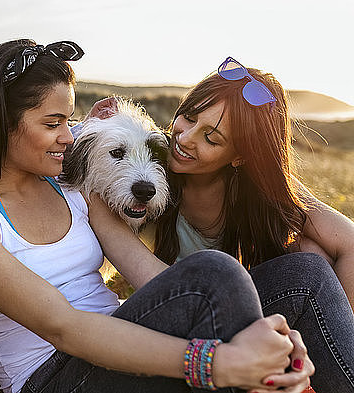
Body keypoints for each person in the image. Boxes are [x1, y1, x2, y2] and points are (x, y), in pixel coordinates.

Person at [0, 39, 314, 393]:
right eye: (53, 124)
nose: (69, 136)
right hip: (51, 377)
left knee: (292, 274)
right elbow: (64, 328)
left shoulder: (73, 188)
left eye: (69, 120)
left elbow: (155, 279)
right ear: (0, 123)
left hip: (117, 339)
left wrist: (260, 334)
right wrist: (217, 362)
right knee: (216, 274)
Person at [85, 57, 354, 392]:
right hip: (178, 320)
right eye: (189, 116)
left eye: (211, 138)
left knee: (311, 251)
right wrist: (90, 122)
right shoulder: (148, 166)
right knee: (308, 275)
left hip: (229, 314)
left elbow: (349, 242)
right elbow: (94, 151)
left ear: (240, 156)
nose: (184, 139)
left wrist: (338, 334)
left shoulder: (260, 190)